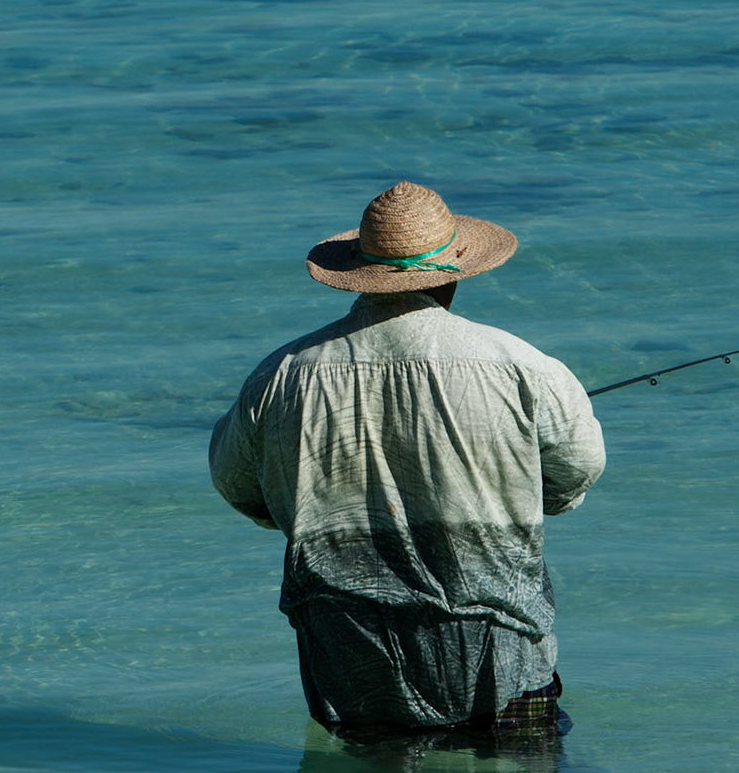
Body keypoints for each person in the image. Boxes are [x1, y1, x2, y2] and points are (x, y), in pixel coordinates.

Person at [209, 181, 607, 737]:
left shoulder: (280, 374)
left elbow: (238, 486)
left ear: (357, 270)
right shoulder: (523, 365)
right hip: (499, 638)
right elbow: (575, 473)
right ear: (455, 269)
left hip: (346, 640)